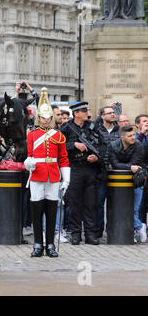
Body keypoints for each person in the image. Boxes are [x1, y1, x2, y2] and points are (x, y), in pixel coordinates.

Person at [24, 88, 70, 258]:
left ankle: (50, 244)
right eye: (42, 117)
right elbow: (28, 156)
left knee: (51, 211)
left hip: (53, 176)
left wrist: (66, 179)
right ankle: (37, 244)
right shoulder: (32, 135)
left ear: (51, 118)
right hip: (37, 175)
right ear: (39, 118)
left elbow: (64, 159)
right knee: (36, 211)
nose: (45, 120)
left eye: (48, 117)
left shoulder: (58, 135)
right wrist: (28, 163)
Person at [60, 102, 105, 245]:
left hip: (90, 168)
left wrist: (97, 157)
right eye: (84, 110)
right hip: (74, 168)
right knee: (74, 203)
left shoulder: (93, 127)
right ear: (76, 113)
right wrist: (73, 145)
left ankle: (90, 234)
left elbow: (104, 146)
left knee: (90, 203)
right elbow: (58, 146)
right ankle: (75, 233)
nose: (87, 113)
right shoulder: (66, 128)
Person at [109, 125, 147, 242]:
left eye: (133, 135)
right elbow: (115, 164)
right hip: (118, 182)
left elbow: (136, 162)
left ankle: (134, 231)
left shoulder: (138, 145)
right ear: (122, 137)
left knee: (134, 209)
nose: (133, 138)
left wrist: (126, 166)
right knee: (123, 208)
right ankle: (140, 226)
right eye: (129, 136)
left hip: (137, 180)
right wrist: (130, 167)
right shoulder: (113, 145)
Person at [94, 106, 120, 238]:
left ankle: (112, 229)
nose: (112, 115)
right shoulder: (97, 130)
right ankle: (98, 230)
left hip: (116, 172)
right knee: (99, 202)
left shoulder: (119, 131)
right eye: (109, 113)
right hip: (101, 171)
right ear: (102, 116)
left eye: (113, 112)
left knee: (114, 202)